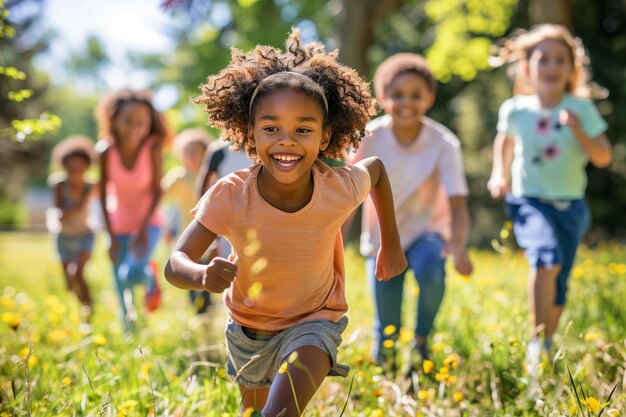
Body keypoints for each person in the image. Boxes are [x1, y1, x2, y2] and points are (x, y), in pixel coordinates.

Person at [165, 28, 407, 417]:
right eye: (272, 128)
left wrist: (390, 244)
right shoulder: (231, 195)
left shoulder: (337, 187)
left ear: (326, 135)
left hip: (315, 322)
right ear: (250, 133)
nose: (287, 141)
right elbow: (175, 262)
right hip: (249, 331)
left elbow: (375, 170)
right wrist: (200, 275)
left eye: (304, 129)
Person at [487, 24, 612, 372]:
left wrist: (578, 129)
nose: (553, 67)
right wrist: (500, 173)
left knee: (559, 281)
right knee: (545, 258)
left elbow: (603, 156)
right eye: (545, 60)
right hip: (529, 200)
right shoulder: (515, 109)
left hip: (572, 206)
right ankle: (536, 341)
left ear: (572, 69)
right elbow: (505, 142)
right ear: (528, 68)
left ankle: (547, 342)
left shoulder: (581, 109)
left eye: (561, 60)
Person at [346, 53, 473, 372]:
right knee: (386, 327)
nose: (406, 102)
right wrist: (331, 238)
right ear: (383, 97)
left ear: (429, 98)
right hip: (381, 238)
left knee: (432, 270)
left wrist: (458, 247)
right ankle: (386, 366)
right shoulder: (369, 137)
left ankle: (421, 343)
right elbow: (345, 193)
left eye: (415, 95)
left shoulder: (443, 143)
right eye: (398, 94)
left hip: (425, 232)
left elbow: (458, 203)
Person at [96, 88, 173, 330]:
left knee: (131, 273)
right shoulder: (105, 151)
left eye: (141, 122)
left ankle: (151, 278)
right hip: (117, 223)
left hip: (148, 223)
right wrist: (110, 236)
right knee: (120, 283)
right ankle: (129, 328)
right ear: (114, 121)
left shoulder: (152, 148)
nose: (135, 127)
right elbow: (101, 193)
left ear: (149, 123)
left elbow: (157, 190)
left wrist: (141, 230)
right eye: (128, 121)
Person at [190, 139, 252, 313]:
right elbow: (204, 183)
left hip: (256, 220)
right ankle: (207, 311)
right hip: (227, 222)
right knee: (228, 269)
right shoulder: (219, 150)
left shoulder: (261, 146)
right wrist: (203, 219)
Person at [48, 135, 97, 314]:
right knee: (69, 283)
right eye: (71, 167)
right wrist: (78, 205)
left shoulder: (91, 185)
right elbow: (60, 215)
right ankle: (80, 307)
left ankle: (89, 307)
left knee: (75, 272)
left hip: (85, 234)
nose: (76, 171)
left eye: (80, 167)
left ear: (87, 166)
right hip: (63, 237)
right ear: (65, 166)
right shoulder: (59, 184)